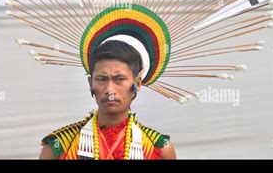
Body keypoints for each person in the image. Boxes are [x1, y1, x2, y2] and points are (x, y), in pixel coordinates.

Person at [39, 40, 177, 160]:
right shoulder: (59, 147)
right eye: (102, 79)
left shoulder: (160, 148)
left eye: (120, 79)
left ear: (137, 83)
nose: (110, 90)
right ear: (90, 83)